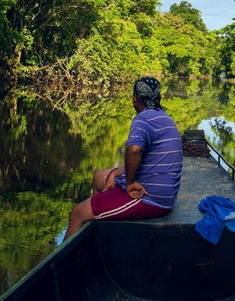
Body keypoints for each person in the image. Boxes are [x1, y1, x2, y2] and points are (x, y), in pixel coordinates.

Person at [63, 77, 183, 240]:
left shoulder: (143, 119)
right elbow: (149, 161)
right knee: (100, 177)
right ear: (159, 98)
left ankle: (69, 264)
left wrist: (129, 182)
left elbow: (134, 150)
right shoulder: (163, 117)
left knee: (77, 213)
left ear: (134, 99)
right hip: (161, 190)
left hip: (150, 197)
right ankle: (98, 232)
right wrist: (117, 174)